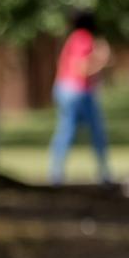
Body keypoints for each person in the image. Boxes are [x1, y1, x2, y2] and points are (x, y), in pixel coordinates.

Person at [48, 10, 112, 185]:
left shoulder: (73, 38)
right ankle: (104, 174)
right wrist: (102, 60)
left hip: (65, 89)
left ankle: (56, 174)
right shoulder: (84, 38)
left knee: (66, 131)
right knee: (96, 132)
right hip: (78, 92)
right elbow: (82, 69)